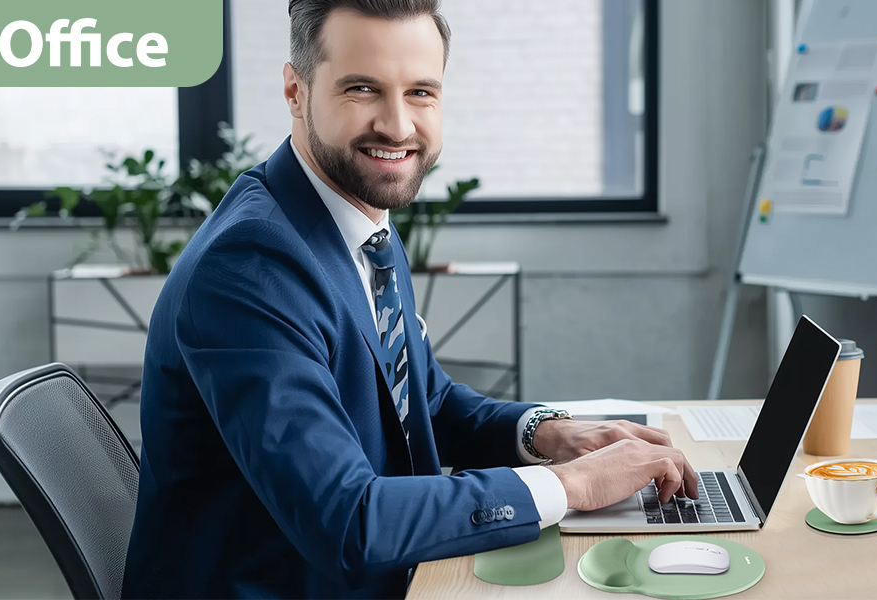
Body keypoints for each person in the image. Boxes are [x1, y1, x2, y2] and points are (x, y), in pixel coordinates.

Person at [121, 1, 698, 598]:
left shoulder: (357, 217)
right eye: (363, 89)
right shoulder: (249, 268)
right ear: (296, 91)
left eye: (421, 92)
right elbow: (347, 520)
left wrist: (547, 434)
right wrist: (572, 485)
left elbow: (422, 400)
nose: (397, 127)